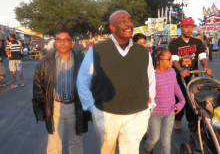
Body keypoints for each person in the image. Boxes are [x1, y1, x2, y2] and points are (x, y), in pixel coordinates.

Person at [77, 10, 156, 154]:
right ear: (112, 27)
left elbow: (151, 80)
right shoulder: (97, 50)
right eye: (123, 21)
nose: (129, 24)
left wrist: (150, 105)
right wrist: (92, 108)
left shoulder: (143, 52)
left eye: (130, 20)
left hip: (136, 115)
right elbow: (82, 81)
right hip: (107, 115)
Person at [32, 27, 90, 154]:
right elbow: (38, 86)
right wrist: (39, 111)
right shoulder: (45, 61)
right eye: (59, 40)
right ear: (54, 41)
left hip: (75, 106)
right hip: (54, 107)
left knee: (76, 142)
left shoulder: (81, 59)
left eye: (66, 40)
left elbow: (90, 83)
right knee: (54, 143)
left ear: (72, 41)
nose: (62, 43)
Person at [169, 18, 212, 134]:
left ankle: (192, 124)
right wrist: (181, 70)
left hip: (193, 75)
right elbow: (174, 60)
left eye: (191, 27)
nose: (189, 30)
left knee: (192, 100)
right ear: (181, 28)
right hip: (179, 76)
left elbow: (202, 56)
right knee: (179, 98)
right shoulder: (174, 43)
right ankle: (177, 119)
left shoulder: (197, 42)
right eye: (187, 27)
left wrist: (205, 67)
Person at [145, 47, 185, 154]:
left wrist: (182, 102)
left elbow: (176, 87)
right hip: (154, 113)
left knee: (166, 141)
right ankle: (147, 149)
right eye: (169, 59)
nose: (171, 61)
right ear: (158, 61)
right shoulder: (150, 74)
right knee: (154, 139)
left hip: (170, 112)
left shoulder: (172, 71)